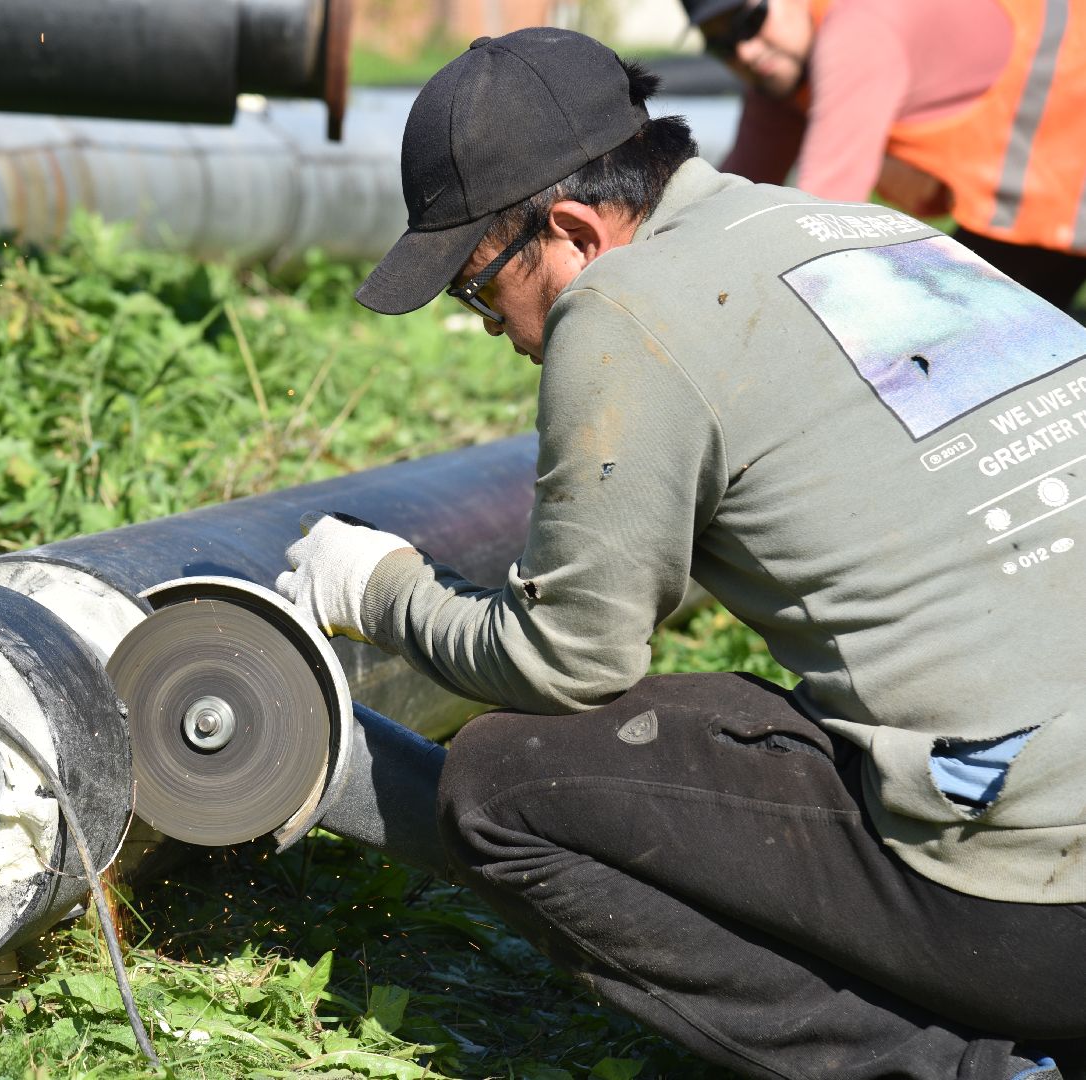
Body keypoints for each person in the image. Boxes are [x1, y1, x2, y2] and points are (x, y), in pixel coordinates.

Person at [275, 26, 1086, 1080]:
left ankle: (969, 1072)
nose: (499, 334)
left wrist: (376, 588)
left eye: (481, 294)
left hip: (1046, 917)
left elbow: (572, 661)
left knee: (502, 780)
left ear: (569, 229)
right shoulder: (863, 229)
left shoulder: (626, 306)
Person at [680, 0, 1086, 309]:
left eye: (749, 21)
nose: (746, 52)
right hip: (1034, 188)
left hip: (1069, 144)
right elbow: (730, 211)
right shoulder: (779, 74)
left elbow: (824, 224)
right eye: (722, 43)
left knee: (978, 347)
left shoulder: (858, 28)